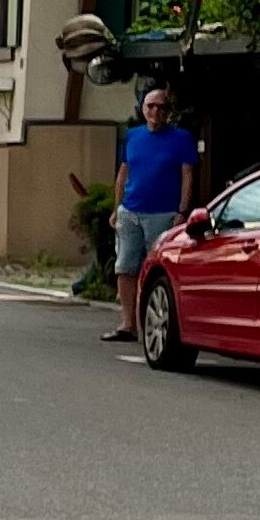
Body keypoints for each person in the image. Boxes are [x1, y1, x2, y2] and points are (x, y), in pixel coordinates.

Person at [106, 83, 198, 346]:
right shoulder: (133, 136)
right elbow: (123, 173)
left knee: (155, 269)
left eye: (161, 107)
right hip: (130, 211)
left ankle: (149, 322)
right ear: (143, 109)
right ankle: (127, 324)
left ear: (168, 111)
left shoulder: (181, 138)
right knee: (125, 266)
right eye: (151, 106)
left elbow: (187, 175)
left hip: (163, 214)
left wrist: (182, 210)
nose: (155, 111)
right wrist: (117, 208)